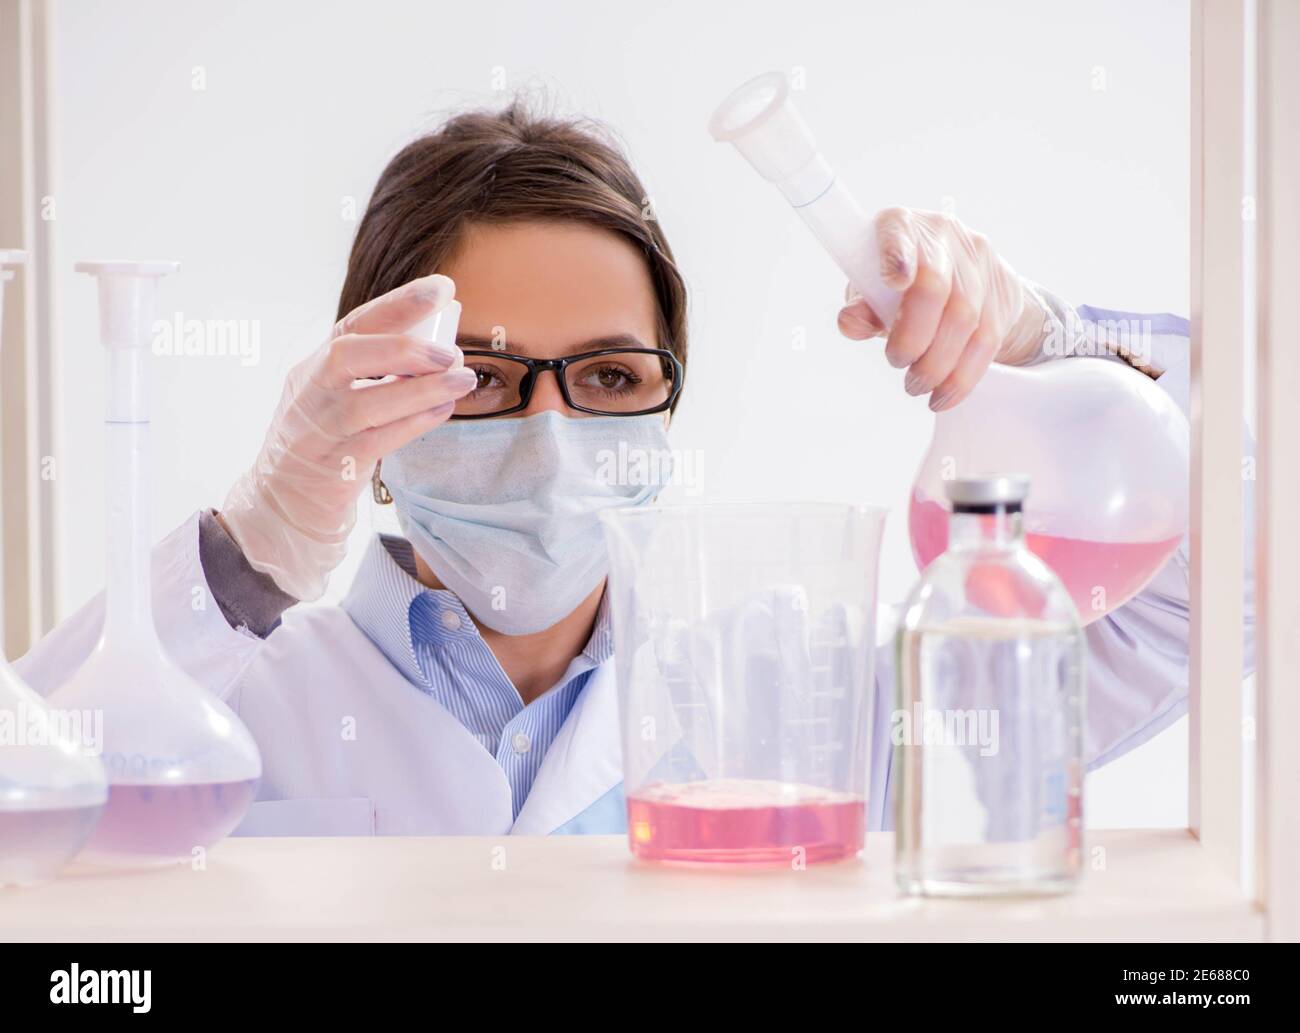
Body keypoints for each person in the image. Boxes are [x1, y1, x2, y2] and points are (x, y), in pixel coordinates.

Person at [15, 100, 1244, 836]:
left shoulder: (817, 695)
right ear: (361, 400)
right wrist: (250, 550)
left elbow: (1237, 580)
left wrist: (1055, 351)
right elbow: (27, 807)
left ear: (667, 404)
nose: (551, 437)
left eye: (608, 377)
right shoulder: (240, 695)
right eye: (484, 378)